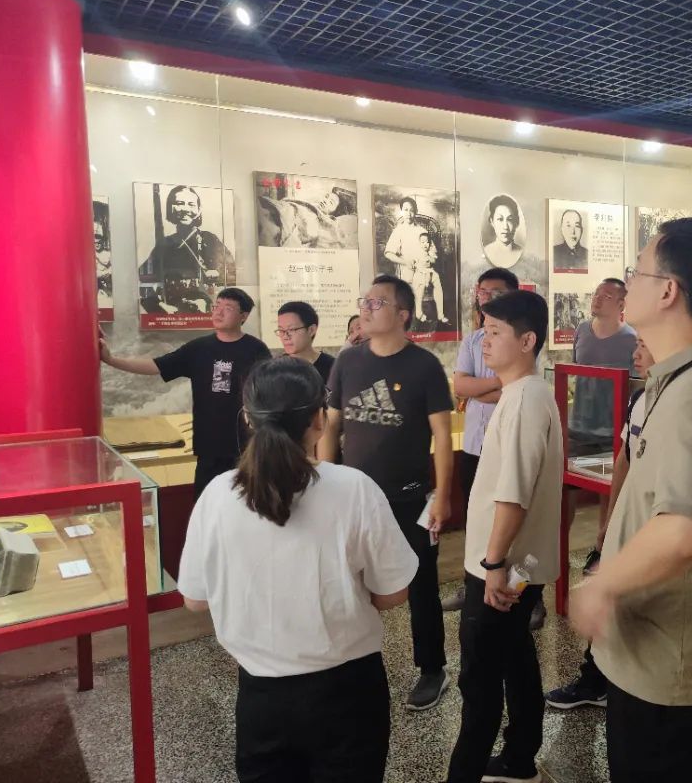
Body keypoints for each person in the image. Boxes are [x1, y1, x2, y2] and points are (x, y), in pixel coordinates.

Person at [571, 217, 692, 782]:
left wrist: (601, 585)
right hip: (653, 659)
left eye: (637, 272)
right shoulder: (678, 381)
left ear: (668, 291)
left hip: (675, 673)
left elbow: (684, 532)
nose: (626, 283)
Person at [177, 358, 417, 783]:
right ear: (320, 420)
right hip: (348, 693)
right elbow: (393, 593)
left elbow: (195, 600)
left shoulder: (217, 494)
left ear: (248, 418)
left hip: (261, 697)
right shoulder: (354, 488)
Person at [318, 275, 455, 712]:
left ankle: (432, 668)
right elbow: (331, 427)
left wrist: (443, 495)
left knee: (421, 584)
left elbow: (442, 436)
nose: (367, 307)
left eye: (378, 302)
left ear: (403, 315)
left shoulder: (424, 366)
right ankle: (351, 662)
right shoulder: (348, 362)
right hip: (353, 496)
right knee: (349, 582)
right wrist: (324, 480)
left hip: (409, 497)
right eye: (365, 301)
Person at [442, 290, 562, 783]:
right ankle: (519, 757)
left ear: (527, 341)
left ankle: (466, 772)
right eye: (483, 330)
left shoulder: (525, 399)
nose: (483, 341)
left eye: (494, 332)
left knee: (481, 678)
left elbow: (513, 494)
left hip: (502, 565)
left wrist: (493, 565)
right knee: (514, 657)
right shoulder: (522, 393)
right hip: (518, 562)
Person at [545, 337, 654, 710]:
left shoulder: (685, 402)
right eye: (637, 345)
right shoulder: (640, 399)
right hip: (628, 519)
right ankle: (596, 680)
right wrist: (611, 520)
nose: (636, 354)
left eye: (644, 346)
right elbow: (624, 456)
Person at [100, 288, 271, 499]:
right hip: (208, 446)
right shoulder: (198, 348)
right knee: (206, 502)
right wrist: (111, 360)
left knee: (246, 502)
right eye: (216, 306)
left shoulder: (256, 350)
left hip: (246, 448)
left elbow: (268, 394)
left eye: (227, 308)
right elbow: (156, 366)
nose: (218, 312)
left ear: (243, 316)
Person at [442, 267, 520, 614]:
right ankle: (472, 583)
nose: (486, 298)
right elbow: (461, 386)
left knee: (511, 519)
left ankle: (524, 593)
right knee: (476, 517)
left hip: (507, 446)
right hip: (475, 445)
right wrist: (495, 385)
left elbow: (516, 386)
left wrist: (479, 389)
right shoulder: (472, 341)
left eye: (496, 292)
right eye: (482, 292)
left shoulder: (523, 337)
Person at [572, 278, 637, 576]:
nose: (597, 298)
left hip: (612, 430)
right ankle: (557, 549)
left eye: (607, 296)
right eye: (596, 293)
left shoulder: (631, 340)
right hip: (579, 427)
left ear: (621, 304)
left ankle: (601, 550)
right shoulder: (582, 331)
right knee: (567, 491)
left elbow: (635, 386)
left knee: (608, 493)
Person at [139, 185, 235, 304]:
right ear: (170, 208)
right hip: (174, 305)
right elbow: (144, 276)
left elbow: (231, 270)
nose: (185, 209)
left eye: (191, 204)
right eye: (179, 203)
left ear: (199, 209)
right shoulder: (165, 243)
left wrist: (217, 273)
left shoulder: (210, 239)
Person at [275, 301, 334, 384]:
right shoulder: (274, 369)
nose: (285, 336)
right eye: (281, 330)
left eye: (291, 329)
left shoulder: (332, 367)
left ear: (311, 330)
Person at [383, 197, 428, 283]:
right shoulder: (398, 231)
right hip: (405, 271)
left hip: (422, 271)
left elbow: (431, 251)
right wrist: (405, 262)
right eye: (406, 210)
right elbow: (388, 253)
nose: (408, 214)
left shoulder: (422, 231)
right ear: (402, 211)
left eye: (412, 210)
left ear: (416, 211)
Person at [411, 232, 449, 325]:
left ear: (430, 243)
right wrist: (416, 264)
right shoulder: (416, 252)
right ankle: (419, 313)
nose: (425, 244)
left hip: (430, 271)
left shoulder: (431, 250)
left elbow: (433, 260)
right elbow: (413, 263)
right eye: (423, 242)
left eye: (427, 242)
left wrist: (429, 256)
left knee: (438, 286)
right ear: (419, 243)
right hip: (420, 272)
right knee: (419, 289)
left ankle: (440, 315)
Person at [483, 195, 524, 269]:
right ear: (492, 222)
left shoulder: (520, 251)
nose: (505, 227)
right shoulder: (487, 251)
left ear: (516, 222)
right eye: (500, 219)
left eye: (509, 219)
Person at [552, 209, 588, 273]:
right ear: (562, 229)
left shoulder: (587, 254)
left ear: (581, 230)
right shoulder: (553, 252)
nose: (573, 232)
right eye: (568, 226)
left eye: (577, 226)